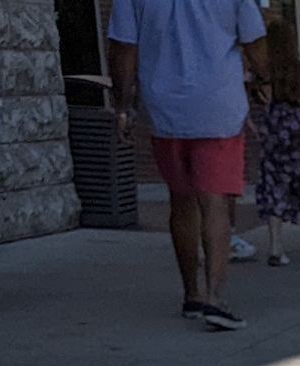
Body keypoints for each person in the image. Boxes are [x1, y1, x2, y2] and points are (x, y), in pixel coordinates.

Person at [109, 0, 267, 331]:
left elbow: (123, 48)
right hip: (218, 104)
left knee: (181, 199)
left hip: (163, 106)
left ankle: (192, 294)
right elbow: (254, 39)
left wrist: (123, 106)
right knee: (216, 201)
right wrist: (264, 79)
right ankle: (217, 299)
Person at [251, 17, 300, 265]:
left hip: (274, 132)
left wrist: (254, 127)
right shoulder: (298, 68)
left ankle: (276, 248)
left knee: (274, 186)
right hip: (296, 130)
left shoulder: (263, 70)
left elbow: (241, 94)